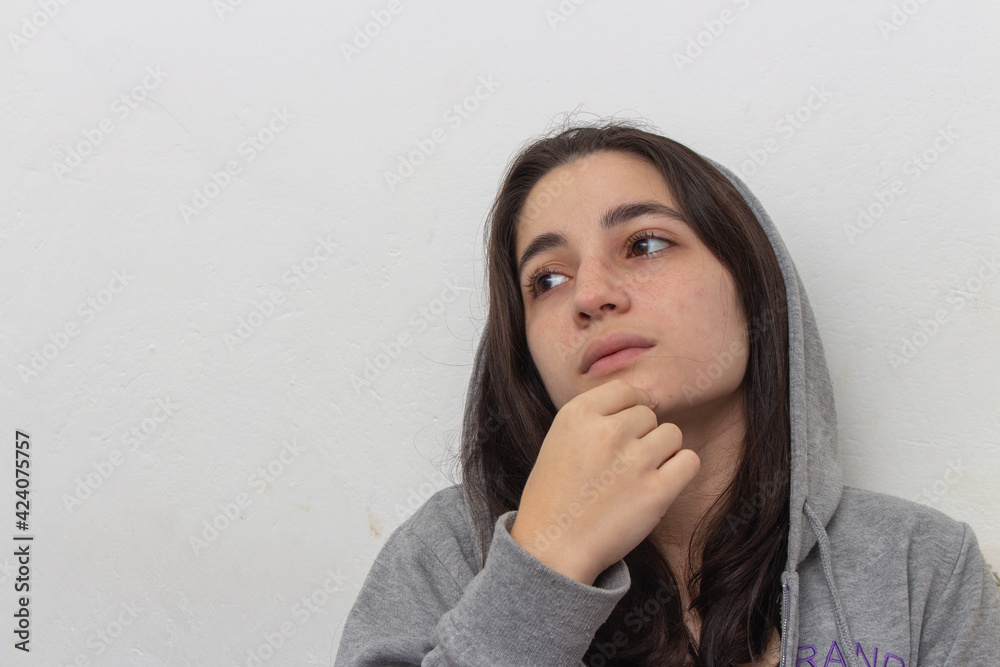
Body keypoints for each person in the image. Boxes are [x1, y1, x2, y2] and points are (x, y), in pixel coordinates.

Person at [334, 119, 1000, 666]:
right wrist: (544, 564)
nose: (591, 294)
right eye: (547, 279)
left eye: (645, 244)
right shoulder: (447, 553)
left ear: (752, 284)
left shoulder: (922, 567)